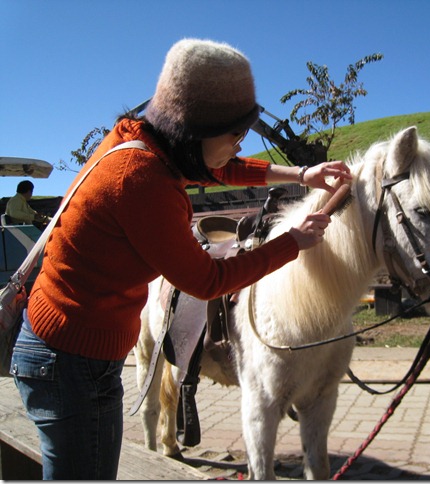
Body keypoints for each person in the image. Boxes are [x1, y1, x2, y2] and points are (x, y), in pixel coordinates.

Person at [10, 38, 352, 480]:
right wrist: (292, 242)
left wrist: (302, 174)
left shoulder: (145, 142)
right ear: (193, 130)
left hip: (73, 349)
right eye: (234, 133)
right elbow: (207, 280)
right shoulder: (142, 182)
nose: (239, 143)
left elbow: (219, 165)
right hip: (71, 361)